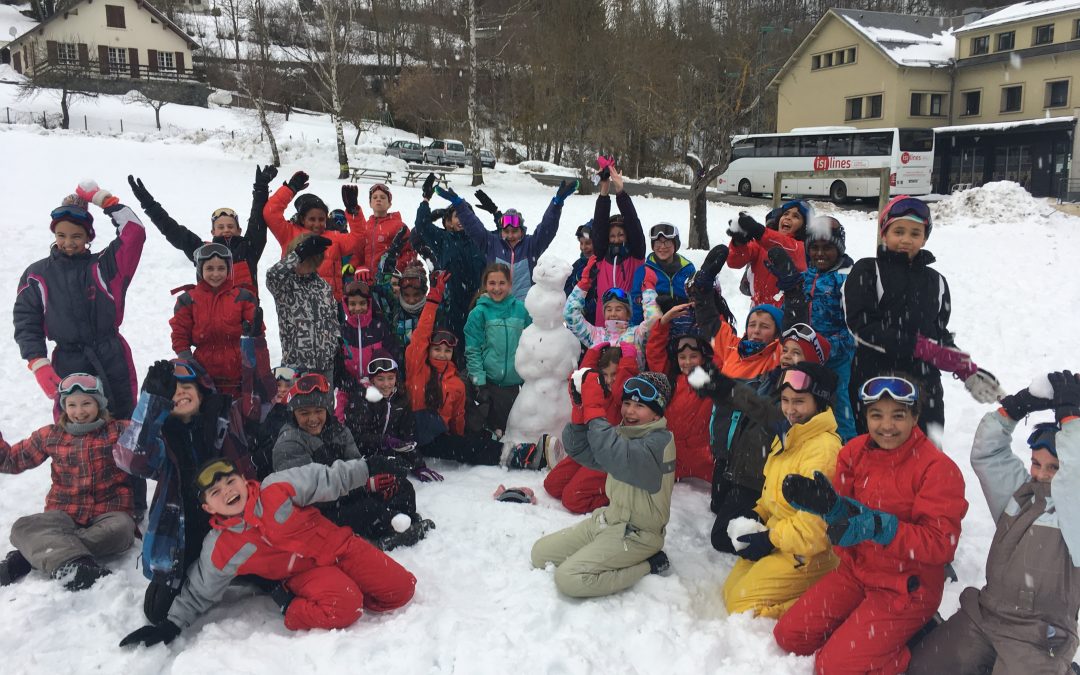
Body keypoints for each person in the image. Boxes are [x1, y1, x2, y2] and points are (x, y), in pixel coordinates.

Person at [774, 374, 969, 675]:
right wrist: (831, 509)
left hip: (906, 588)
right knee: (790, 636)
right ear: (865, 416)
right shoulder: (853, 453)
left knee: (832, 667)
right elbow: (845, 515)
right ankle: (872, 635)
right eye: (876, 415)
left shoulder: (938, 469)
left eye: (898, 416)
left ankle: (917, 651)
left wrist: (883, 527)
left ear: (915, 416)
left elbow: (942, 544)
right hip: (858, 572)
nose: (886, 426)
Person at [118, 457, 416, 646]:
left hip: (342, 546)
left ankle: (354, 585)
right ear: (208, 507)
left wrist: (368, 467)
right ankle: (294, 608)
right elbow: (200, 590)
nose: (228, 491)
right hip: (306, 575)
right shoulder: (221, 546)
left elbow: (327, 478)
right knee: (347, 605)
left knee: (402, 590)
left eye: (231, 482)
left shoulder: (277, 488)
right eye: (216, 492)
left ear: (244, 482)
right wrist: (171, 625)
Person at [907, 372, 1080, 674]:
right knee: (922, 669)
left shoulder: (1075, 512)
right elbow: (988, 454)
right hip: (987, 616)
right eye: (1037, 463)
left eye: (1055, 467)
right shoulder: (1022, 494)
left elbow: (1073, 482)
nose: (1041, 474)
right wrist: (1017, 407)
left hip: (1041, 637)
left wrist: (1072, 419)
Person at [113, 347, 274, 623]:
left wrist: (252, 342)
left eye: (187, 386)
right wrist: (152, 401)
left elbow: (261, 399)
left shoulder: (227, 417)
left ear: (202, 392)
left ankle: (242, 565)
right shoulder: (160, 437)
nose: (180, 393)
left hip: (235, 523)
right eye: (172, 391)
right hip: (180, 534)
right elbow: (130, 459)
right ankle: (202, 571)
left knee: (272, 576)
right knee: (157, 612)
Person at [844, 196, 1003, 438]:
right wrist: (918, 347)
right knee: (877, 457)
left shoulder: (936, 281)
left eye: (915, 233)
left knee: (927, 456)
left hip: (925, 386)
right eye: (899, 231)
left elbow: (938, 333)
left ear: (925, 238)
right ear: (884, 234)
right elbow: (861, 325)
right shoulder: (867, 270)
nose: (906, 239)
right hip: (876, 381)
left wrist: (964, 367)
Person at [531, 372, 676, 597]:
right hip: (609, 521)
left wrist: (594, 408)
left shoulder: (659, 444)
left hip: (637, 536)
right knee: (539, 554)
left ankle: (651, 564)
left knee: (569, 579)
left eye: (639, 406)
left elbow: (612, 452)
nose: (629, 411)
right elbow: (581, 450)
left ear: (657, 412)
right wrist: (581, 412)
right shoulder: (624, 435)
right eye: (627, 403)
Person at [693, 322, 831, 554]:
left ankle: (778, 541)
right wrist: (717, 386)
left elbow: (763, 410)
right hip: (742, 469)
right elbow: (748, 399)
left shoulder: (806, 403)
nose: (787, 356)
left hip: (760, 482)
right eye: (785, 350)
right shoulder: (773, 379)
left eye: (796, 353)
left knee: (722, 538)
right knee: (717, 504)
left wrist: (724, 388)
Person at [15, 183, 145, 424]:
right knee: (73, 431)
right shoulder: (37, 275)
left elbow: (134, 232)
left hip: (111, 358)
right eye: (61, 235)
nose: (68, 242)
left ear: (88, 236)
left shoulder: (105, 265)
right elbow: (26, 321)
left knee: (122, 426)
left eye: (77, 236)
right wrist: (38, 362)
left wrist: (104, 200)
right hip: (68, 361)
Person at [720, 363, 842, 618]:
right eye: (785, 400)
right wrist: (757, 515)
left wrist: (769, 539)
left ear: (818, 402)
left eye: (799, 401)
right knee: (730, 592)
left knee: (741, 606)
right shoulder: (789, 437)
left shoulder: (823, 451)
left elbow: (817, 528)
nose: (789, 409)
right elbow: (772, 496)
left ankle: (825, 597)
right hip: (782, 537)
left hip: (808, 552)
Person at [0, 374, 133, 590]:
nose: (79, 412)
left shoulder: (119, 430)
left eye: (86, 403)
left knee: (123, 530)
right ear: (64, 407)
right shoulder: (51, 435)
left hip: (108, 513)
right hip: (63, 514)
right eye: (72, 405)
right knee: (21, 527)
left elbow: (149, 443)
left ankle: (33, 553)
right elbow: (11, 461)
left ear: (99, 404)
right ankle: (75, 564)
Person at [272, 373, 431, 550]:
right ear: (294, 413)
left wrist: (374, 480)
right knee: (366, 508)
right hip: (315, 510)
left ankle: (397, 520)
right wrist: (364, 486)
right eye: (304, 413)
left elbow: (355, 462)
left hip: (345, 492)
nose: (313, 419)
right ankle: (385, 533)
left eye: (318, 411)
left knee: (403, 487)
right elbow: (308, 493)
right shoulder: (289, 442)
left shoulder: (338, 430)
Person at [126, 166, 276, 296]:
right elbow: (173, 230)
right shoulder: (203, 251)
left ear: (239, 230)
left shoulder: (249, 248)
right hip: (211, 324)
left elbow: (257, 219)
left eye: (231, 226)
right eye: (221, 227)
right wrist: (149, 204)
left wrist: (261, 188)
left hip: (247, 323)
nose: (226, 230)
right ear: (212, 232)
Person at [404, 272, 502, 465]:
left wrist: (460, 438)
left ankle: (517, 454)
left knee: (468, 446)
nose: (441, 354)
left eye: (446, 351)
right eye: (437, 349)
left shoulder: (456, 383)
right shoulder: (418, 369)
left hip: (435, 440)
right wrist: (433, 300)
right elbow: (421, 335)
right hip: (410, 434)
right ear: (428, 349)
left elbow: (457, 418)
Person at [440, 179, 575, 302]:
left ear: (522, 231)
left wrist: (556, 204)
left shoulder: (531, 246)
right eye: (506, 231)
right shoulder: (491, 244)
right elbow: (473, 225)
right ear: (501, 231)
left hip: (524, 307)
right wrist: (459, 205)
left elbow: (547, 228)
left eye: (515, 231)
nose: (510, 236)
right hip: (496, 305)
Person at [543, 343, 637, 513]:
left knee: (572, 500)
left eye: (614, 375)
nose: (609, 380)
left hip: (610, 460)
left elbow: (622, 386)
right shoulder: (601, 392)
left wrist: (628, 363)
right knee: (552, 485)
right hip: (589, 450)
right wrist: (592, 355)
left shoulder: (624, 398)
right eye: (605, 375)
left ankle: (620, 494)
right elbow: (583, 380)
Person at [169, 244, 258, 397]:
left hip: (238, 376)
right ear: (200, 270)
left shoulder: (243, 297)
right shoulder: (188, 300)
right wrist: (191, 366)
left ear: (229, 270)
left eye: (221, 268)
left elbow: (257, 334)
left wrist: (252, 333)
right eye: (210, 269)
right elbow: (180, 337)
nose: (216, 274)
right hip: (203, 376)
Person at [798, 216, 856, 441]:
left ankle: (847, 451)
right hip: (805, 356)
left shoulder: (846, 278)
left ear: (839, 249)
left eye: (827, 248)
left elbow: (853, 326)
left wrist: (827, 346)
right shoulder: (804, 277)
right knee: (804, 402)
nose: (820, 253)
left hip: (837, 358)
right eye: (814, 248)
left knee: (839, 405)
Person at [263, 172, 364, 301]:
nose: (317, 224)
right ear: (302, 219)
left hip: (331, 303)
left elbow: (359, 239)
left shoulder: (334, 238)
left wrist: (353, 211)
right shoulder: (288, 233)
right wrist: (290, 189)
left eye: (321, 219)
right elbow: (270, 212)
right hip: (299, 303)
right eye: (312, 219)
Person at [343, 353, 443, 483]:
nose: (386, 384)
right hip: (361, 455)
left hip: (388, 453)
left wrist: (419, 465)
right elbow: (357, 437)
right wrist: (386, 441)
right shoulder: (362, 398)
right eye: (380, 379)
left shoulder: (401, 398)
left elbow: (407, 435)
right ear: (372, 380)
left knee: (400, 468)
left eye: (390, 378)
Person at [411, 175, 486, 338]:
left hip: (477, 306)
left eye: (466, 215)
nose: (462, 220)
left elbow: (508, 238)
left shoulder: (482, 240)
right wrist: (425, 199)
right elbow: (421, 226)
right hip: (450, 308)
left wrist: (495, 212)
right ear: (449, 222)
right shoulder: (443, 239)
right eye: (457, 216)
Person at [645, 303, 713, 481]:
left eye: (693, 356)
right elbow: (655, 354)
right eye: (682, 357)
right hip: (673, 458)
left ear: (703, 357)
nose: (687, 362)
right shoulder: (670, 379)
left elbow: (722, 349)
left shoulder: (711, 380)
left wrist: (710, 315)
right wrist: (664, 322)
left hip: (704, 459)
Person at [464, 263, 532, 437]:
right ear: (485, 285)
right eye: (492, 283)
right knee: (497, 433)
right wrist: (479, 383)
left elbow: (534, 342)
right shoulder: (479, 313)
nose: (496, 288)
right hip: (491, 386)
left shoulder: (521, 310)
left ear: (510, 284)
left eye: (502, 283)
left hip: (516, 386)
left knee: (518, 431)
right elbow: (473, 351)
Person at [266, 234, 340, 381]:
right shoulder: (284, 284)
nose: (300, 263)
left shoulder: (324, 286)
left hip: (325, 367)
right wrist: (298, 254)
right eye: (299, 260)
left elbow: (333, 321)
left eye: (306, 260)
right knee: (297, 404)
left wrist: (336, 349)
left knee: (323, 405)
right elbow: (272, 275)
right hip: (295, 367)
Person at [588, 165, 646, 325]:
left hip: (630, 323)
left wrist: (620, 191)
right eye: (612, 236)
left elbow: (633, 223)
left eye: (621, 235)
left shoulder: (636, 256)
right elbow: (599, 224)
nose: (616, 239)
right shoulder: (601, 257)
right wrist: (604, 190)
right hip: (603, 323)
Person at [726, 200, 810, 307]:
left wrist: (759, 231)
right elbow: (734, 262)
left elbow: (784, 246)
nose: (788, 217)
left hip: (785, 314)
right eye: (785, 214)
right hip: (758, 312)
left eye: (796, 216)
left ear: (804, 226)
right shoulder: (761, 244)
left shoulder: (802, 248)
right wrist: (738, 243)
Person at [338, 279, 402, 414]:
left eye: (362, 303)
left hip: (378, 385)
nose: (357, 308)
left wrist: (378, 381)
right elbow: (338, 368)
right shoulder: (342, 332)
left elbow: (393, 356)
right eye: (352, 304)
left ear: (369, 304)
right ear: (346, 305)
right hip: (350, 389)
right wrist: (355, 387)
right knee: (342, 413)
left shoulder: (379, 329)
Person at [630, 223, 696, 325]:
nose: (662, 247)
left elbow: (694, 299)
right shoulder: (643, 271)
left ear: (675, 244)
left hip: (684, 326)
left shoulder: (687, 269)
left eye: (668, 242)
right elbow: (637, 306)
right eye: (658, 243)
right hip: (655, 328)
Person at [354, 183, 416, 274]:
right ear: (370, 203)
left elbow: (410, 252)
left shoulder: (399, 226)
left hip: (390, 281)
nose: (378, 199)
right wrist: (361, 268)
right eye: (374, 197)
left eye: (383, 197)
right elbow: (358, 254)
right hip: (367, 282)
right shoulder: (365, 227)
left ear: (389, 204)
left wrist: (393, 268)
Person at [564, 223, 597, 325]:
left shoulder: (602, 265)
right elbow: (566, 290)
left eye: (588, 243)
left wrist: (586, 309)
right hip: (577, 321)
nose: (583, 247)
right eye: (581, 243)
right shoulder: (578, 264)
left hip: (595, 321)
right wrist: (576, 282)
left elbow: (600, 295)